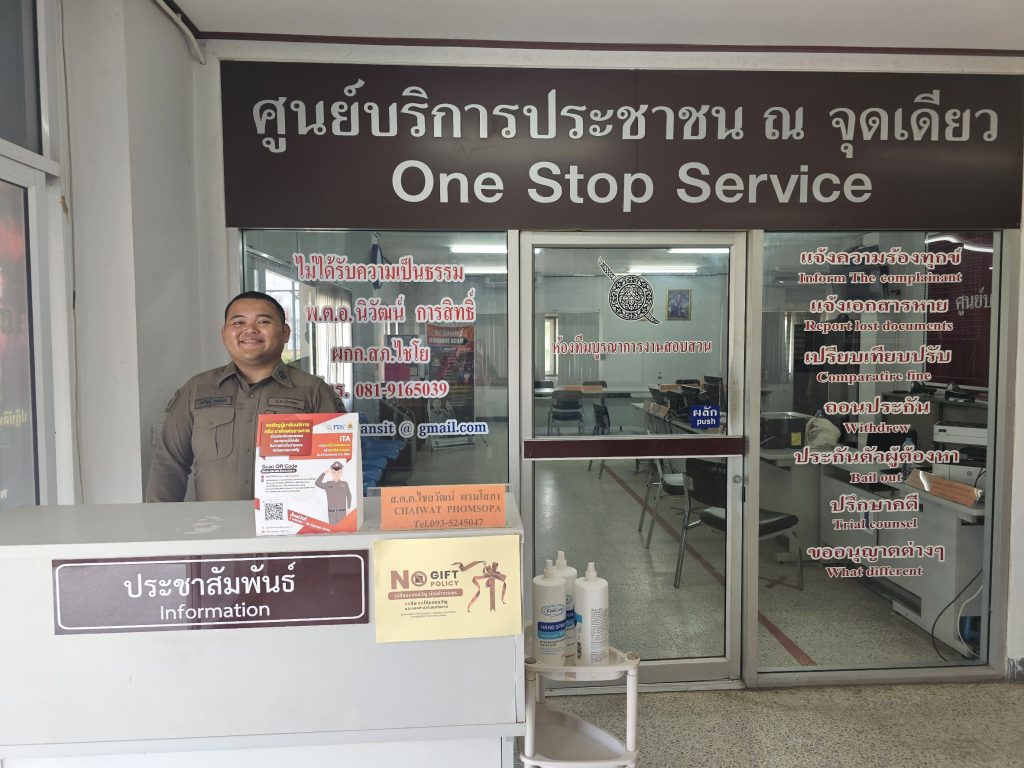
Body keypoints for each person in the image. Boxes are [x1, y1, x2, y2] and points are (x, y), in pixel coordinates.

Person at [146, 291, 346, 502]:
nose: (250, 329)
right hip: (214, 522)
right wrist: (159, 519)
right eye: (238, 322)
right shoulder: (196, 390)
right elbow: (168, 465)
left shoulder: (314, 391)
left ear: (285, 333)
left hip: (291, 521)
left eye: (263, 321)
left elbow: (339, 465)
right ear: (224, 334)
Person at [315, 460, 353, 525]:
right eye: (334, 472)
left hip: (342, 513)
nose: (336, 474)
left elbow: (349, 495)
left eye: (338, 472)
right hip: (332, 514)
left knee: (343, 529)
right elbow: (317, 483)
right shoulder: (328, 484)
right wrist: (324, 473)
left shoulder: (345, 484)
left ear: (341, 473)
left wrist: (348, 508)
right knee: (332, 530)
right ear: (331, 473)